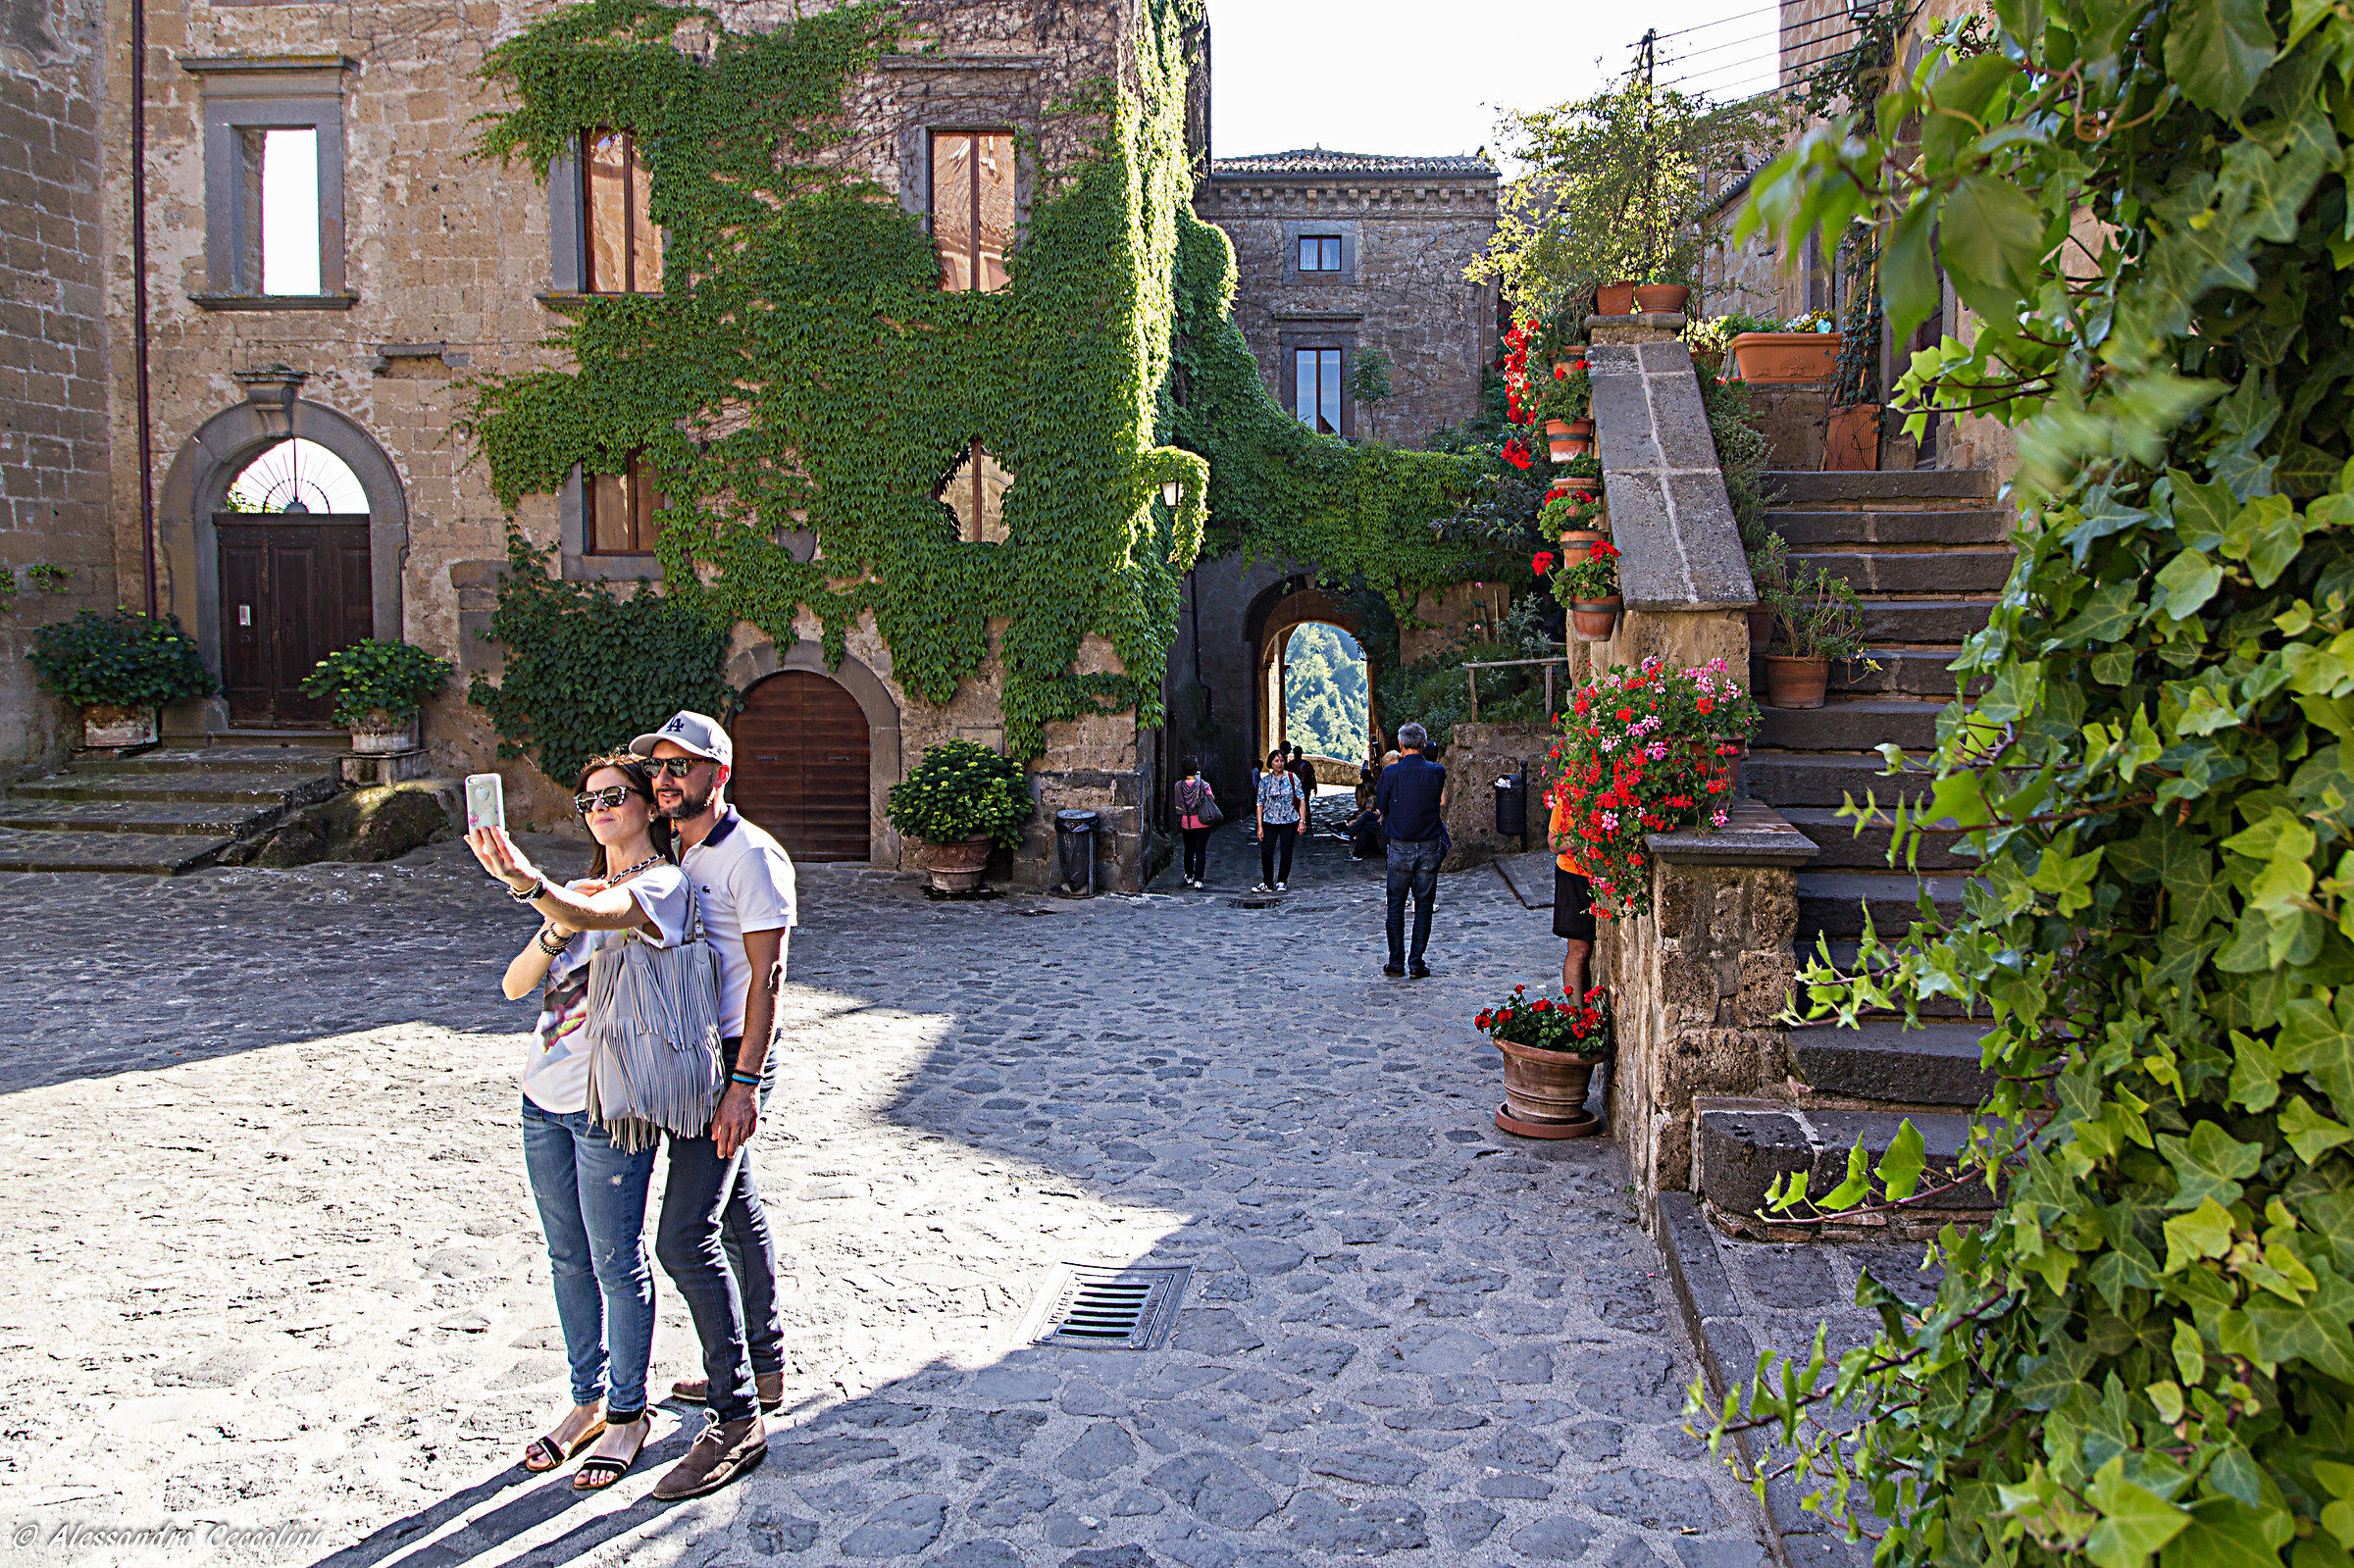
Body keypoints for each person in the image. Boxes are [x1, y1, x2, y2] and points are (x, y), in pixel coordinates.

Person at [468, 754, 693, 1492]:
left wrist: (537, 889)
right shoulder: (577, 892)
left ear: (649, 808)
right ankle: (586, 1401)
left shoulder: (663, 883)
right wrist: (548, 917)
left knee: (617, 1261)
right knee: (568, 1259)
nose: (598, 807)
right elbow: (512, 985)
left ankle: (630, 1412)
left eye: (614, 795)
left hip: (611, 1105)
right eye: (587, 798)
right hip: (543, 1098)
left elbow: (603, 916)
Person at [632, 711, 797, 1501]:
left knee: (684, 1235)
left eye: (681, 766)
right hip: (701, 1051)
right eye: (659, 766)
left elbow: (768, 978)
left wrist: (745, 1084)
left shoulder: (751, 856)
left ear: (718, 775)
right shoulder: (686, 851)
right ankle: (760, 1367)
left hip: (727, 1060)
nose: (666, 778)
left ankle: (736, 1422)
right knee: (737, 1215)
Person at [1374, 722, 1448, 978]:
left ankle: (1396, 962)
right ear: (1424, 744)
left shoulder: (1391, 774)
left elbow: (1381, 805)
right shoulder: (1437, 772)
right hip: (1429, 844)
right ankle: (1416, 962)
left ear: (1401, 745)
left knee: (1395, 904)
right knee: (1424, 903)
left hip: (1400, 845)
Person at [1548, 783, 1595, 999]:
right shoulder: (1566, 794)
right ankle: (1576, 1016)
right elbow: (1553, 842)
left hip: (1597, 875)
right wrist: (1579, 841)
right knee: (1578, 949)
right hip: (1574, 875)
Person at [1253, 745, 1305, 892]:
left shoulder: (1291, 777)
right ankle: (1267, 881)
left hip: (1289, 821)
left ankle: (1282, 880)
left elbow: (1301, 799)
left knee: (1286, 851)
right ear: (1271, 763)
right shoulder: (1265, 781)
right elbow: (1259, 804)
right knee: (1266, 851)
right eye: (1276, 761)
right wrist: (1259, 826)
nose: (1279, 763)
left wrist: (1302, 821)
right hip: (1270, 821)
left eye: (1282, 760)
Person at [1174, 757, 1216, 888]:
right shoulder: (1203, 785)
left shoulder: (1178, 786)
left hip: (1187, 822)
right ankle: (1198, 879)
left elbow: (1178, 804)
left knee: (1188, 850)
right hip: (1202, 822)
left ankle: (1188, 875)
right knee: (1201, 851)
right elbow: (1212, 798)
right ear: (1196, 768)